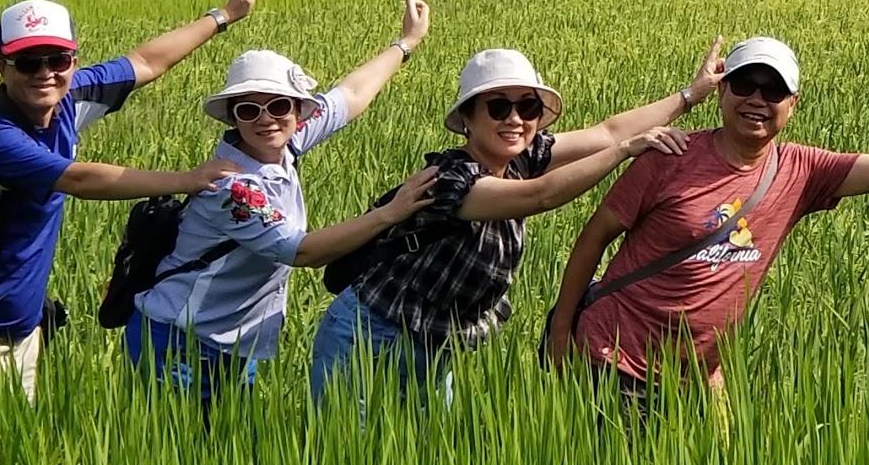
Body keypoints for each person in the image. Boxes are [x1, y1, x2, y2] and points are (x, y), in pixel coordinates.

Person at [546, 36, 869, 410]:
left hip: (696, 380)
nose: (757, 100)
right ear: (723, 90)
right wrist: (563, 330)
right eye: (745, 85)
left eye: (773, 90)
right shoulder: (670, 156)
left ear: (793, 103)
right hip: (612, 360)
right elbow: (592, 241)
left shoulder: (802, 170)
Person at [0, 0, 268, 401]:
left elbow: (145, 62)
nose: (45, 73)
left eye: (57, 59)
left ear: (74, 60)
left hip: (23, 331)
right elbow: (79, 179)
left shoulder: (72, 96)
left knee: (14, 460)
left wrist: (223, 16)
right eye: (27, 61)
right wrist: (189, 178)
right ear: (2, 68)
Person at [307, 38, 726, 407]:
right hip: (370, 339)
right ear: (467, 118)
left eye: (527, 107)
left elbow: (607, 130)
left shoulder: (523, 158)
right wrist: (626, 151)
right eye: (498, 107)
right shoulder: (450, 178)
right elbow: (538, 196)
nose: (515, 119)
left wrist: (691, 94)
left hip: (434, 345)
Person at [125, 0, 435, 406]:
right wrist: (388, 214)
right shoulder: (233, 188)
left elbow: (352, 95)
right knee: (185, 459)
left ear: (297, 109)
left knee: (232, 460)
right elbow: (301, 251)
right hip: (181, 342)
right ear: (234, 117)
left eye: (278, 106)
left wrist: (406, 42)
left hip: (233, 341)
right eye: (249, 110)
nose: (266, 119)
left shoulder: (288, 142)